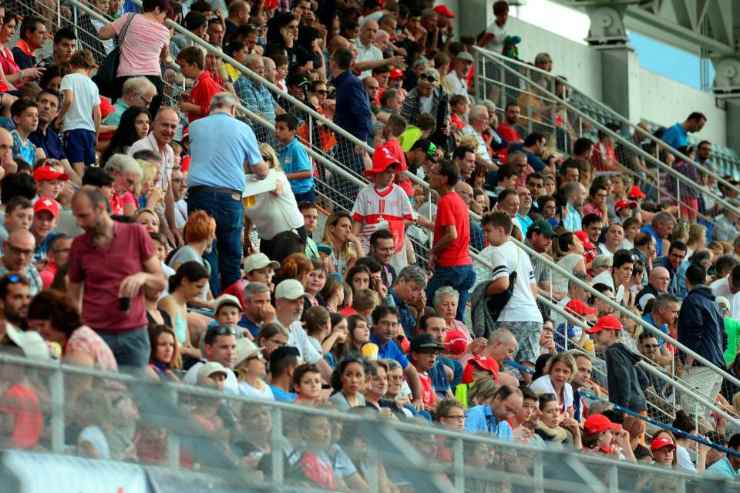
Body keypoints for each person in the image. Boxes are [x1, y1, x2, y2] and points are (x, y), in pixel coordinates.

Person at [67, 188, 165, 369]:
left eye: (84, 216)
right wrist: (79, 328)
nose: (79, 223)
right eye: (77, 216)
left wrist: (142, 277)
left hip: (133, 333)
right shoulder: (79, 246)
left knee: (133, 392)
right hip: (95, 332)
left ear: (101, 208)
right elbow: (74, 295)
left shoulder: (135, 233)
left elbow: (161, 281)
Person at [187, 92, 264, 292]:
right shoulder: (243, 128)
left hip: (199, 195)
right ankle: (231, 303)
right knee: (231, 253)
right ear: (233, 109)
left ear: (211, 108)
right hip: (229, 197)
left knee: (203, 249)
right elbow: (260, 169)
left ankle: (206, 300)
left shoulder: (195, 127)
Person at [478, 212, 543, 363]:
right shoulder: (522, 252)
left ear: (500, 230)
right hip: (533, 317)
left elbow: (502, 284)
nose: (486, 236)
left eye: (488, 231)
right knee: (527, 366)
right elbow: (534, 290)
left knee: (500, 362)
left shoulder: (499, 251)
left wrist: (483, 291)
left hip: (513, 316)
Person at [426, 160, 474, 321]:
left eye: (434, 172)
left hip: (450, 268)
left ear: (444, 178)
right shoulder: (458, 201)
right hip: (465, 267)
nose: (429, 175)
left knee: (428, 306)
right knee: (456, 318)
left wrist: (433, 251)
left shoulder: (446, 201)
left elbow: (452, 234)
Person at [98, 0, 171, 102]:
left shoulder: (129, 18)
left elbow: (103, 34)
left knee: (123, 115)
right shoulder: (165, 31)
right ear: (157, 9)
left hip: (127, 78)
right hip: (153, 81)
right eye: (165, 15)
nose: (164, 20)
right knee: (147, 117)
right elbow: (165, 56)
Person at [677, 264, 726, 414]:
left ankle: (695, 438)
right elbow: (724, 338)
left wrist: (689, 360)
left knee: (691, 409)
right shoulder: (714, 303)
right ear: (705, 280)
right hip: (716, 364)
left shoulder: (692, 300)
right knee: (700, 413)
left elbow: (694, 330)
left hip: (701, 362)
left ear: (686, 280)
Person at [586, 315, 647, 415]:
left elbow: (624, 379)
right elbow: (644, 380)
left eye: (599, 332)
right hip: (639, 406)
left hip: (628, 409)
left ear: (611, 333)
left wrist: (623, 409)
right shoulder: (625, 351)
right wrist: (636, 396)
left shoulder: (612, 351)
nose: (595, 336)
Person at [59, 50, 101, 174]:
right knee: (88, 169)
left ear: (71, 65)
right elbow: (98, 114)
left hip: (73, 129)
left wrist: (59, 118)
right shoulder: (93, 85)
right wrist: (96, 136)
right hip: (89, 131)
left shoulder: (68, 78)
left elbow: (68, 100)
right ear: (89, 67)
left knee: (77, 169)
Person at [158, 261, 208, 361]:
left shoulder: (183, 305)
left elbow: (187, 345)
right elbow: (169, 343)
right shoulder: (169, 303)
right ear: (184, 281)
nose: (200, 292)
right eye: (198, 286)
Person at [331, 47, 372, 146]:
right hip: (343, 141)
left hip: (353, 144)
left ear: (333, 63)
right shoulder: (343, 83)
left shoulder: (351, 83)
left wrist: (362, 140)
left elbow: (363, 112)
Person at [176, 46, 223, 123]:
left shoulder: (205, 82)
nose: (181, 70)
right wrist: (189, 100)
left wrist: (190, 107)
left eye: (183, 66)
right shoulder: (199, 81)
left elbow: (214, 110)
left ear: (194, 66)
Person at [276, 113, 315, 203]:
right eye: (276, 128)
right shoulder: (282, 148)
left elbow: (308, 173)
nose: (277, 131)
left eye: (281, 128)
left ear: (293, 131)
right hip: (292, 192)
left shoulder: (296, 148)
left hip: (303, 194)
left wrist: (285, 176)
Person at [0, 230, 42, 296]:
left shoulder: (32, 272)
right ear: (4, 246)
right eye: (16, 250)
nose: (21, 257)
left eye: (27, 252)